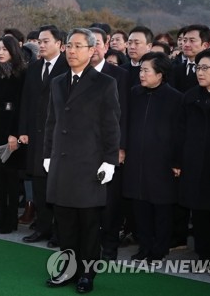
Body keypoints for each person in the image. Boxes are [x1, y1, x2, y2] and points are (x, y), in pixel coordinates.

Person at [43, 28, 120, 292]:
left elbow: (112, 125)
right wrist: (46, 154)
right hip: (61, 164)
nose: (72, 51)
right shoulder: (58, 81)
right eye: (69, 45)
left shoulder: (105, 84)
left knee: (88, 224)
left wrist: (110, 160)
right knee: (64, 221)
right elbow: (51, 121)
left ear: (91, 50)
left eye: (78, 46)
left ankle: (87, 273)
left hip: (90, 165)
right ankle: (68, 268)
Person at [123, 52, 182, 265]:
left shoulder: (175, 98)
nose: (141, 74)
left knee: (162, 208)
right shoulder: (134, 93)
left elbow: (180, 132)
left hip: (163, 162)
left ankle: (159, 249)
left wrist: (177, 161)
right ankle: (144, 246)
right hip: (136, 161)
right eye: (140, 69)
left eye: (146, 70)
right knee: (140, 207)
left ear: (161, 74)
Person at [174, 48, 210, 277]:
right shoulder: (190, 96)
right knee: (199, 215)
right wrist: (178, 161)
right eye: (198, 67)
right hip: (194, 164)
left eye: (206, 68)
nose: (200, 72)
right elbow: (180, 131)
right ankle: (204, 256)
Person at [18, 25, 69, 247]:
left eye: (46, 41)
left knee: (57, 185)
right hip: (36, 136)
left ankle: (60, 232)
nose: (41, 45)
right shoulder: (34, 67)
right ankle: (42, 227)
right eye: (39, 41)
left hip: (58, 136)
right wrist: (23, 130)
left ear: (60, 44)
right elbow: (26, 100)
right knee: (38, 184)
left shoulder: (68, 67)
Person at [89, 27, 130, 261]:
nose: (93, 48)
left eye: (97, 43)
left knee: (111, 201)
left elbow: (124, 113)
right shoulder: (72, 73)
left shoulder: (120, 75)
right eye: (88, 43)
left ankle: (110, 246)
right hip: (82, 149)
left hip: (109, 147)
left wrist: (120, 147)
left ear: (106, 46)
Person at [0, 35, 26, 234]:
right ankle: (1, 218)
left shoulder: (21, 74)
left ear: (13, 51)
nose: (0, 52)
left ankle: (11, 220)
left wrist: (14, 134)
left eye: (4, 49)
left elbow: (21, 106)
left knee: (10, 179)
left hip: (11, 128)